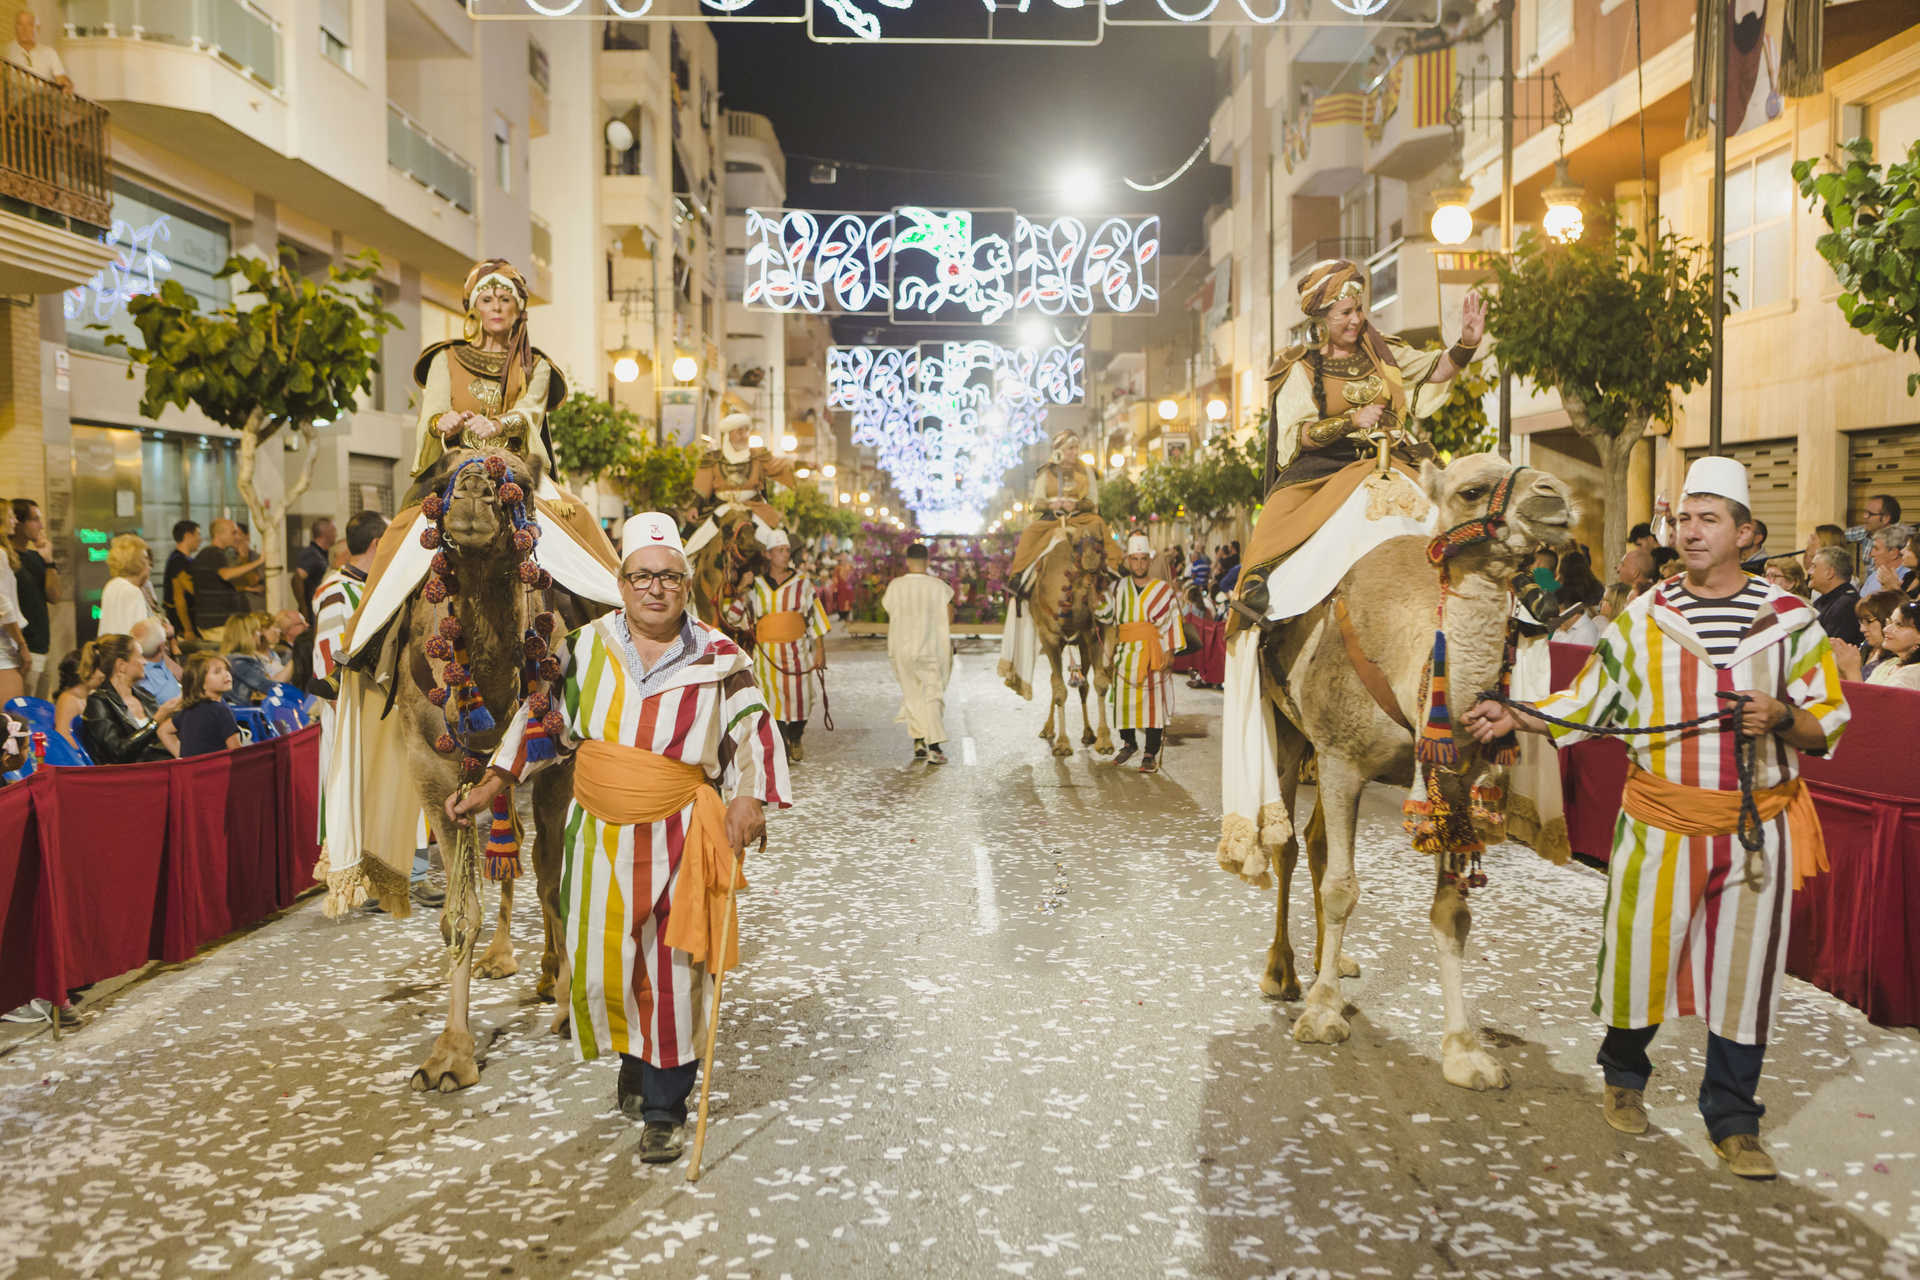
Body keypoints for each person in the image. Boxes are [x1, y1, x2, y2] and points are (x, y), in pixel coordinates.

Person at [1464, 456, 1849, 1182]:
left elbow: (1829, 716)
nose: (1691, 532)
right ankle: (1623, 1073)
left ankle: (1734, 1119)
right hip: (1658, 822)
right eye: (1684, 519)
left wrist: (1782, 716)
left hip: (1753, 833)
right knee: (1643, 952)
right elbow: (1590, 703)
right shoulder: (1644, 617)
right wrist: (1515, 712)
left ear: (1746, 532)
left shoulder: (1791, 621)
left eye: (1709, 519)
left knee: (1744, 975)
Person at [447, 512, 790, 1165]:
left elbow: (752, 731)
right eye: (641, 577)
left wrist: (748, 798)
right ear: (622, 581)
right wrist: (495, 782)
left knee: (673, 969)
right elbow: (540, 722)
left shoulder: (722, 657)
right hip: (596, 841)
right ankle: (638, 1062)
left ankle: (665, 1107)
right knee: (609, 962)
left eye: (667, 577)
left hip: (682, 836)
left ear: (685, 585)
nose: (654, 589)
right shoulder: (579, 648)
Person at [723, 529, 830, 764]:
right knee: (771, 703)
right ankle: (781, 743)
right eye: (780, 551)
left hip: (798, 652)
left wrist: (819, 650)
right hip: (767, 656)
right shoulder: (756, 586)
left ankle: (796, 736)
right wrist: (741, 588)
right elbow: (732, 618)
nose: (785, 555)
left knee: (803, 698)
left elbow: (815, 617)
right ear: (768, 554)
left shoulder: (803, 584)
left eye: (787, 551)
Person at [1097, 533, 1184, 773]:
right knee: (1124, 703)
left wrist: (1170, 651)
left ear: (1149, 560)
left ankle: (1150, 753)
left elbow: (1172, 621)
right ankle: (1129, 743)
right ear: (1128, 561)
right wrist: (1095, 600)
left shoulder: (1163, 590)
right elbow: (1106, 615)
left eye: (1143, 559)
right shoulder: (1117, 588)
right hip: (1124, 654)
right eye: (1134, 559)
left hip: (1152, 653)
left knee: (1153, 705)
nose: (1139, 564)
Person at [686, 412, 802, 559]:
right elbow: (703, 487)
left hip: (754, 509)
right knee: (695, 543)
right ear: (729, 434)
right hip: (721, 508)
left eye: (746, 431)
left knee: (775, 539)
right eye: (739, 431)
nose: (744, 435)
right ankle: (687, 568)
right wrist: (695, 506)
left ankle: (784, 566)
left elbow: (779, 465)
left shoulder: (758, 456)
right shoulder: (712, 459)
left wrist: (800, 463)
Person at [881, 543, 954, 764]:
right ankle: (934, 746)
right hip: (930, 648)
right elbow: (949, 614)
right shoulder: (938, 586)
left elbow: (889, 609)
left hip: (902, 648)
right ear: (927, 561)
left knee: (912, 694)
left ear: (907, 561)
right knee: (932, 695)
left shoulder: (895, 586)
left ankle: (919, 740)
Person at [81, 634, 180, 764]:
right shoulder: (98, 702)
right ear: (121, 665)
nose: (145, 662)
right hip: (130, 777)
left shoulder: (144, 695)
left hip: (163, 765)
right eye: (140, 656)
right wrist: (155, 722)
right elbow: (117, 752)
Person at [10, 499, 58, 698]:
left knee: (41, 709)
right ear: (17, 523)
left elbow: (54, 596)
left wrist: (48, 561)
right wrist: (22, 646)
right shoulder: (7, 559)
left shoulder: (34, 556)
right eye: (35, 519)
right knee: (23, 710)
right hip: (22, 648)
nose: (41, 526)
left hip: (42, 644)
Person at [189, 518, 264, 638]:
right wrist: (259, 562)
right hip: (217, 625)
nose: (238, 537)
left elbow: (241, 581)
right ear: (219, 534)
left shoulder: (219, 554)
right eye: (233, 532)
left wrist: (243, 559)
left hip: (221, 623)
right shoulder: (212, 553)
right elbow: (226, 575)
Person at [1834, 598, 1920, 691]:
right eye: (1890, 622)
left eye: (1899, 625)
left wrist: (1852, 670)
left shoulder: (1915, 673)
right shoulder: (1889, 664)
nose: (1886, 629)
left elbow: (1872, 704)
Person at [173, 652, 242, 756]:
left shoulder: (188, 708)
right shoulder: (221, 711)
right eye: (217, 672)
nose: (227, 674)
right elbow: (239, 754)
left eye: (226, 669)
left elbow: (163, 730)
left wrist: (182, 758)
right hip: (217, 770)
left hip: (192, 770)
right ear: (200, 682)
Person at [97, 534, 159, 638]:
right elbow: (142, 637)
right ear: (139, 562)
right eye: (146, 558)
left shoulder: (111, 585)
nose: (150, 564)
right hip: (129, 651)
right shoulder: (132, 591)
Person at [219, 614, 287, 705]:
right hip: (243, 713)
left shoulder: (250, 658)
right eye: (257, 631)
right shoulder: (237, 662)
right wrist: (290, 692)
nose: (260, 634)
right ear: (247, 635)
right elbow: (264, 685)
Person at [0, 501, 28, 704]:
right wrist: (22, 644)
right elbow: (3, 605)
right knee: (13, 722)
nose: (15, 521)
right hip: (3, 649)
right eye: (10, 516)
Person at [4, 10, 73, 92]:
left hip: (44, 100)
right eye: (20, 24)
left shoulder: (49, 52)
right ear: (15, 27)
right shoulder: (5, 51)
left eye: (30, 24)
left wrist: (66, 83)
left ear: (38, 28)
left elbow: (61, 78)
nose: (24, 29)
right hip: (16, 102)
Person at [1807, 545, 1863, 646]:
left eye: (1814, 566)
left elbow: (1830, 648)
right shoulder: (1825, 600)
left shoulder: (1846, 605)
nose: (1809, 571)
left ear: (1829, 573)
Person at [52, 646, 99, 750]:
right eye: (97, 669)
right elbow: (63, 735)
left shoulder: (93, 695)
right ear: (85, 672)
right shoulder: (68, 700)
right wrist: (86, 758)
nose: (102, 674)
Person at [130, 617, 181, 707]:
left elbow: (182, 676)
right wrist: (170, 640)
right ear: (163, 646)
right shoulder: (143, 677)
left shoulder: (160, 662)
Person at [293, 518, 337, 620]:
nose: (336, 534)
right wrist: (304, 608)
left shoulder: (323, 554)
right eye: (334, 531)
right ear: (326, 533)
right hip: (312, 613)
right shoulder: (312, 554)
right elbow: (296, 579)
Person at [163, 520, 200, 636]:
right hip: (181, 624)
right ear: (188, 536)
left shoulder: (187, 560)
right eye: (198, 534)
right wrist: (188, 629)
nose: (200, 539)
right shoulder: (177, 561)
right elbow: (180, 597)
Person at [1861, 524, 1912, 598]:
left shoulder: (1910, 578)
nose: (1871, 554)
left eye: (1876, 549)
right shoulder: (1873, 577)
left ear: (1893, 553)